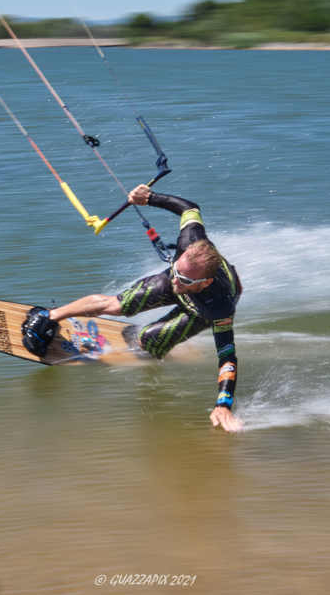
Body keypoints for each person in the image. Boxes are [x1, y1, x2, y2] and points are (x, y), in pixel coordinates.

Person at [23, 184, 244, 432]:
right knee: (117, 305)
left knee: (147, 344)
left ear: (205, 283)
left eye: (182, 278)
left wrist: (223, 404)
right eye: (175, 271)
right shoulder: (190, 242)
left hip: (198, 310)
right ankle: (50, 315)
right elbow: (190, 208)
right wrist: (149, 198)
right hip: (189, 280)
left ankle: (151, 341)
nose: (174, 280)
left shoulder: (219, 308)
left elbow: (227, 356)